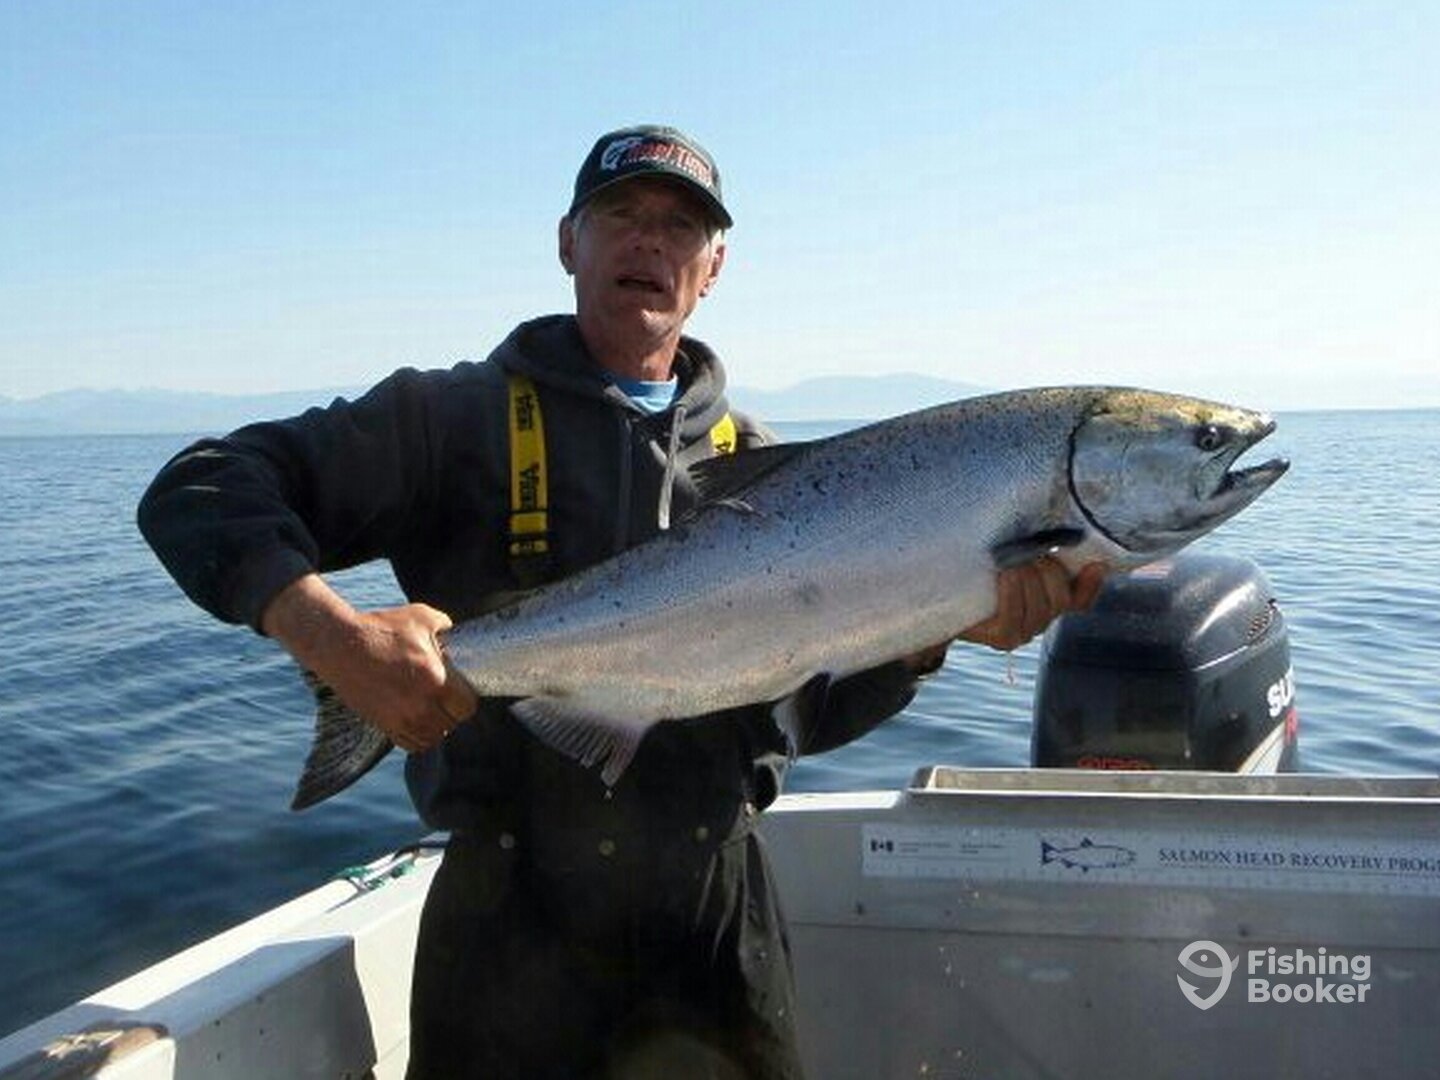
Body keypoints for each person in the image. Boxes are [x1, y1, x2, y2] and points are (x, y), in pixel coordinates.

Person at [138, 124, 1104, 1080]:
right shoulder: (446, 418)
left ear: (713, 265)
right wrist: (331, 633)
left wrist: (923, 641)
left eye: (680, 227)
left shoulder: (780, 474)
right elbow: (200, 487)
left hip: (717, 923)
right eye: (621, 215)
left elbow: (807, 710)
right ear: (569, 242)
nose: (650, 241)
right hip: (505, 930)